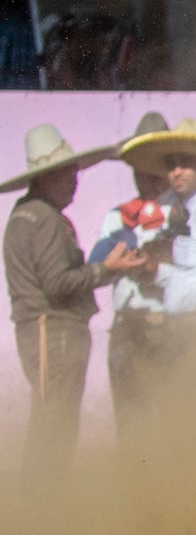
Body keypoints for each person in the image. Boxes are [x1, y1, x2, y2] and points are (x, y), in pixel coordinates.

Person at [3, 126, 144, 476]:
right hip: (54, 330)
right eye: (69, 172)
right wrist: (106, 270)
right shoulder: (46, 220)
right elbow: (57, 285)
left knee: (53, 420)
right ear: (48, 175)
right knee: (56, 424)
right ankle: (43, 508)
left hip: (43, 329)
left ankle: (43, 508)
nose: (75, 180)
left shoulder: (25, 215)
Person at [90, 112, 171, 441]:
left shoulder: (184, 215)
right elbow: (95, 269)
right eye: (139, 168)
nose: (146, 177)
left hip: (168, 323)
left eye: (152, 168)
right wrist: (117, 262)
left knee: (172, 418)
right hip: (129, 326)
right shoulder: (117, 219)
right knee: (130, 421)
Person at [117, 120, 196, 320]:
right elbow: (190, 272)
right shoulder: (188, 210)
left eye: (185, 164)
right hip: (186, 320)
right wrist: (155, 271)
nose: (176, 172)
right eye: (171, 165)